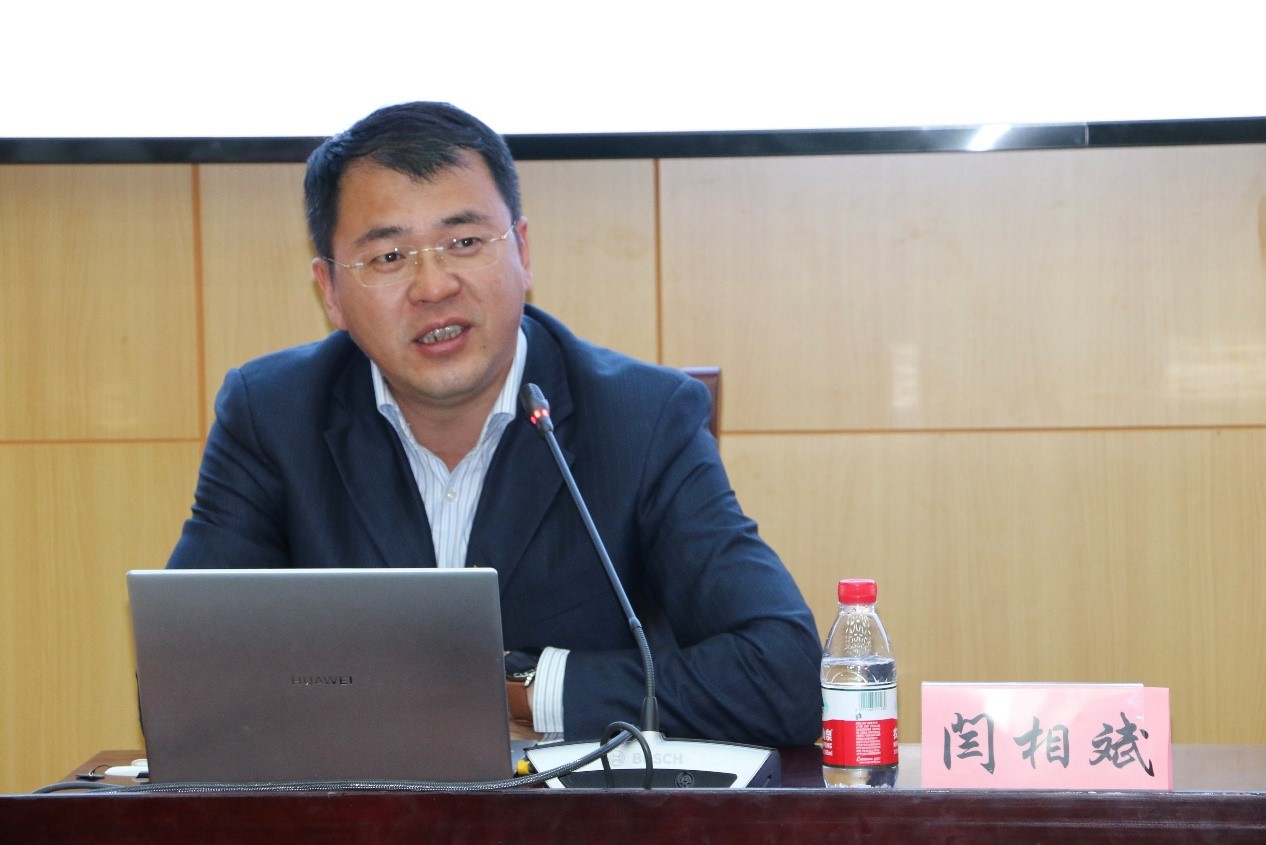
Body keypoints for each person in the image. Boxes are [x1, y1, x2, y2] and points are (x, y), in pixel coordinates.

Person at [166, 101, 822, 748]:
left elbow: (785, 675)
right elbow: (182, 684)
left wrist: (529, 692)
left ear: (523, 251)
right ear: (330, 290)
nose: (433, 286)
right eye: (389, 257)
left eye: (464, 243)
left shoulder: (642, 419)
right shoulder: (272, 416)